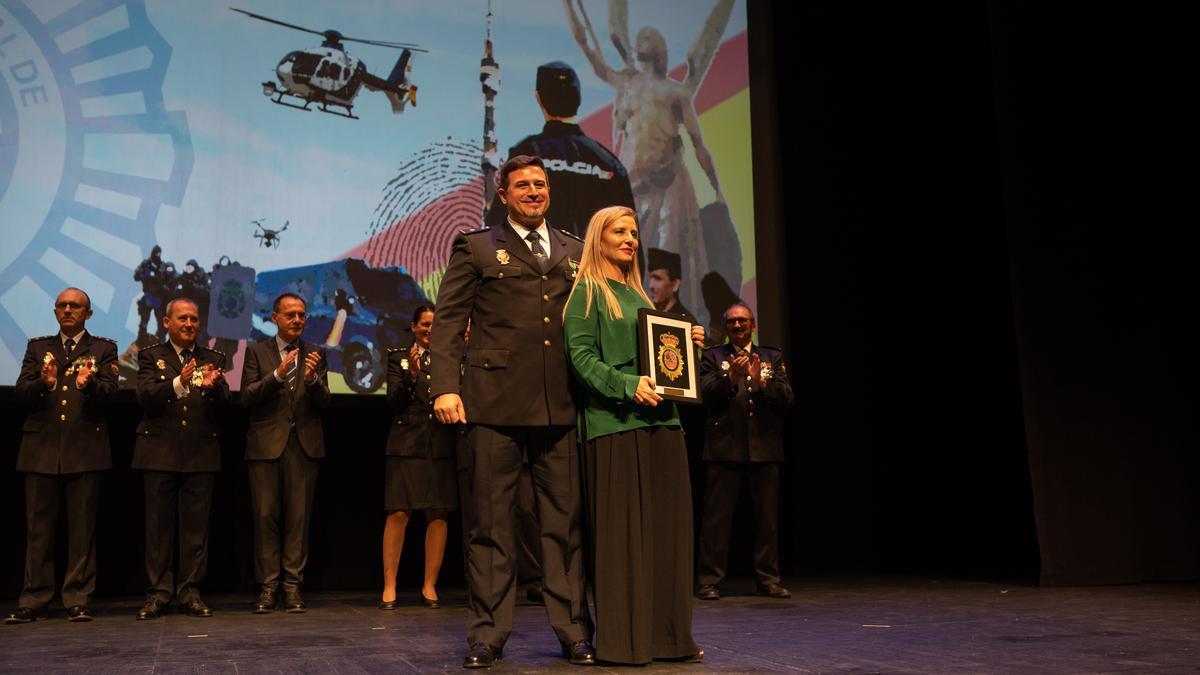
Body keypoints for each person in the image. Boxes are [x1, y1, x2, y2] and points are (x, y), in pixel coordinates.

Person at [430, 155, 594, 668]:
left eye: (540, 184)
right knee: (491, 528)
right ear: (503, 194)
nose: (532, 192)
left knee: (563, 528)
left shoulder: (574, 249)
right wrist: (444, 388)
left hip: (560, 406)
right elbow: (448, 323)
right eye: (522, 185)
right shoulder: (477, 246)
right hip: (493, 406)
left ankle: (574, 633)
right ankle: (487, 635)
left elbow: (604, 314)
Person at [563, 206, 705, 665]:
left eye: (633, 232)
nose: (629, 239)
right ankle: (626, 643)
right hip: (614, 426)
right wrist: (627, 385)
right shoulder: (586, 293)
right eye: (619, 231)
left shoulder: (642, 297)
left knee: (667, 535)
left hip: (663, 423)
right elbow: (581, 359)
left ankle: (668, 638)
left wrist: (688, 349)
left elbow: (664, 365)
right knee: (623, 540)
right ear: (597, 239)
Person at [566, 0, 740, 325]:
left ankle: (665, 330)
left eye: (651, 38)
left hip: (669, 187)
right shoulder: (626, 83)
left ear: (659, 50)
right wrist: (569, 6)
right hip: (632, 185)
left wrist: (718, 191)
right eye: (641, 37)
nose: (644, 39)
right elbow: (587, 45)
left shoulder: (675, 93)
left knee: (666, 260)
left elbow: (700, 146)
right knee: (625, 260)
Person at [6, 288, 118, 624]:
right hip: (41, 449)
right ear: (56, 311)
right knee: (38, 530)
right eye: (63, 306)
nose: (68, 310)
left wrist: (89, 385)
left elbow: (111, 392)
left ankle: (77, 598)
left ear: (88, 313)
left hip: (85, 447)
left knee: (82, 531)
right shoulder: (38, 347)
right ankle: (34, 599)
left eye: (75, 306)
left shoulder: (103, 348)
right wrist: (46, 383)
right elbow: (22, 391)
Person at [131, 298, 228, 620]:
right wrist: (179, 383)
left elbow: (225, 403)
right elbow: (145, 397)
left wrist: (214, 389)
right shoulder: (149, 356)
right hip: (158, 452)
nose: (189, 324)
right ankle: (158, 594)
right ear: (167, 322)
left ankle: (190, 592)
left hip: (200, 453)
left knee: (195, 531)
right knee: (158, 531)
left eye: (194, 319)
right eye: (182, 318)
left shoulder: (212, 358)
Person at [696, 304, 794, 601]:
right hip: (724, 447)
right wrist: (732, 379)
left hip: (764, 447)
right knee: (716, 520)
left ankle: (768, 579)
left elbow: (787, 399)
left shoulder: (771, 356)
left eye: (743, 321)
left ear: (752, 324)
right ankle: (709, 580)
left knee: (767, 521)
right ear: (725, 327)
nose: (738, 326)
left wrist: (762, 382)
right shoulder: (713, 356)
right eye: (732, 322)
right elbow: (705, 395)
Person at [240, 292, 330, 614]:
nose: (297, 320)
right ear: (275, 317)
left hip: (304, 447)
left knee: (298, 520)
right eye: (290, 314)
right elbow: (246, 396)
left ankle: (292, 587)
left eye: (302, 315)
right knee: (265, 518)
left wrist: (312, 380)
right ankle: (268, 587)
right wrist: (277, 375)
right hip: (266, 447)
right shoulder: (256, 352)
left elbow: (325, 402)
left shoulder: (315, 353)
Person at [484, 61, 635, 240]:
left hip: (536, 266)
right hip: (592, 266)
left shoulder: (524, 156)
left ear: (539, 98)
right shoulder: (609, 164)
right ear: (578, 99)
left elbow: (496, 228)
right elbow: (629, 239)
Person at [380, 305, 457, 611]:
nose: (430, 330)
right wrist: (411, 376)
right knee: (398, 512)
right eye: (424, 324)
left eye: (434, 325)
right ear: (413, 327)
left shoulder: (451, 359)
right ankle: (389, 585)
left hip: (440, 443)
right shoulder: (396, 356)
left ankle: (429, 586)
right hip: (405, 443)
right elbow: (393, 401)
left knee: (438, 512)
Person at [646, 248, 697, 323]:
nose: (651, 286)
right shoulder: (647, 315)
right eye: (650, 278)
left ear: (675, 284)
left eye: (657, 279)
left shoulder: (687, 323)